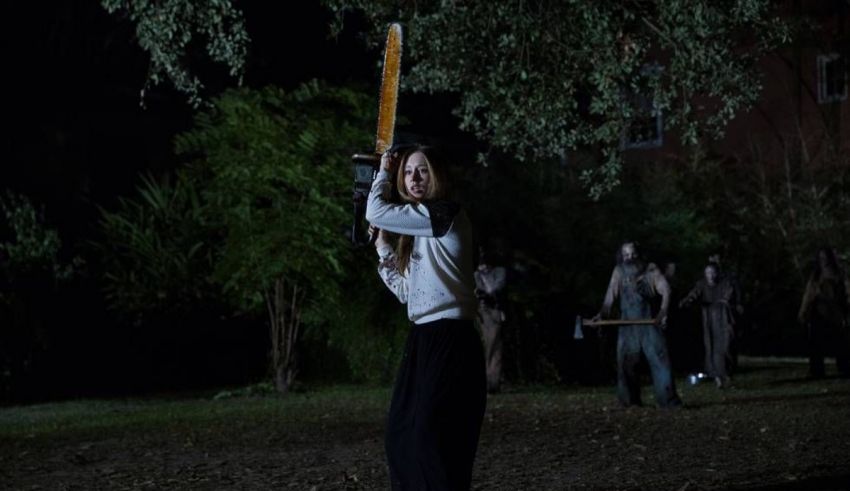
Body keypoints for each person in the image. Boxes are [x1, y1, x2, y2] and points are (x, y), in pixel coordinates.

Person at [366, 145, 486, 490]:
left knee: (432, 440)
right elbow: (407, 292)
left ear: (437, 175)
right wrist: (383, 248)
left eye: (422, 170)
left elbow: (375, 210)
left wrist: (383, 172)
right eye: (407, 172)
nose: (414, 178)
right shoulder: (421, 229)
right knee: (401, 436)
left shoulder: (445, 213)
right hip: (422, 338)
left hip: (451, 336)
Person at [594, 242, 682, 408]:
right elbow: (609, 297)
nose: (630, 257)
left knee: (660, 360)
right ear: (621, 256)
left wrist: (663, 311)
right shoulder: (619, 271)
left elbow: (665, 289)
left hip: (649, 322)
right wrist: (601, 314)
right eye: (626, 255)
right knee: (626, 362)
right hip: (627, 324)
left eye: (633, 254)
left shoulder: (650, 269)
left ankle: (668, 401)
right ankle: (629, 401)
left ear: (639, 254)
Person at [679, 263, 737, 387]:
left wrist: (724, 302)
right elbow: (694, 294)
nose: (710, 275)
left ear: (717, 273)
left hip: (723, 318)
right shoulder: (702, 284)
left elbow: (729, 296)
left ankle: (727, 373)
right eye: (708, 273)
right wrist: (687, 300)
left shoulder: (725, 284)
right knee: (711, 346)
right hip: (708, 319)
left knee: (726, 346)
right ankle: (717, 376)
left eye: (713, 272)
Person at [797, 247, 850, 378]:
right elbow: (809, 295)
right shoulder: (815, 276)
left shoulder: (839, 274)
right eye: (821, 258)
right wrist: (804, 312)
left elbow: (845, 293)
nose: (823, 260)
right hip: (818, 313)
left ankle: (844, 367)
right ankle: (817, 370)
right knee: (816, 344)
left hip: (835, 312)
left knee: (840, 342)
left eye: (825, 258)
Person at [474, 247, 507, 393]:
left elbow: (496, 288)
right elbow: (478, 291)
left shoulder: (499, 272)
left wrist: (486, 291)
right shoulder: (477, 275)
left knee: (495, 346)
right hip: (483, 312)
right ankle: (488, 380)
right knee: (488, 345)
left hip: (496, 310)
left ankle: (493, 382)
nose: (484, 267)